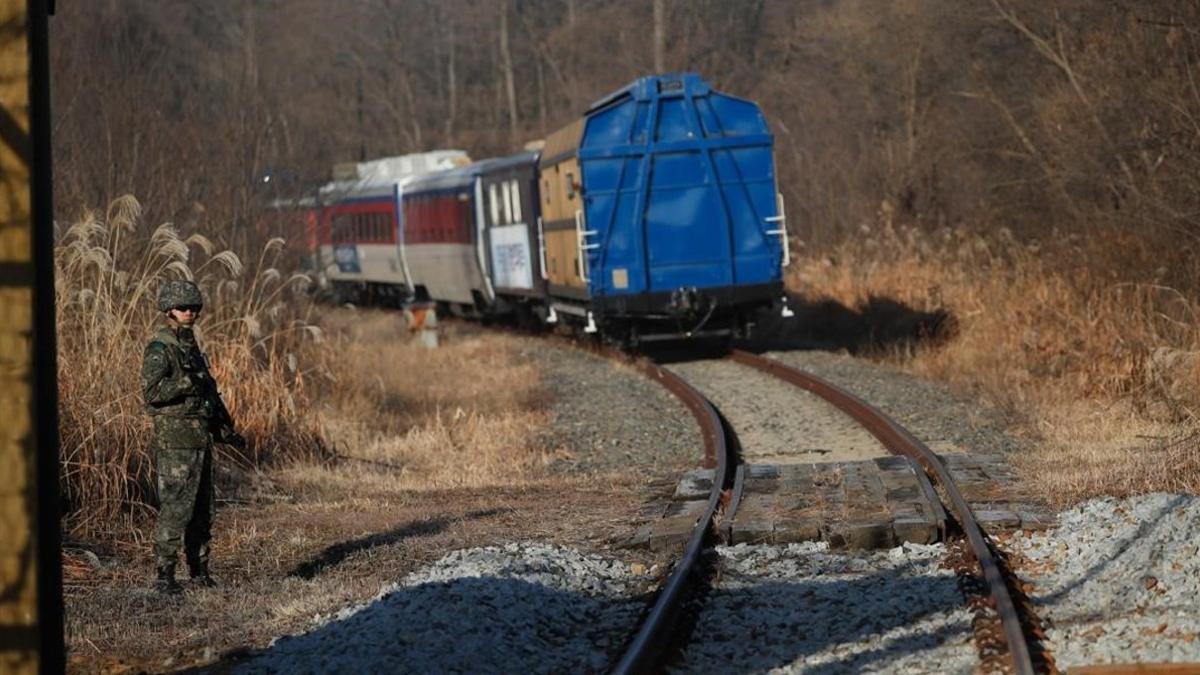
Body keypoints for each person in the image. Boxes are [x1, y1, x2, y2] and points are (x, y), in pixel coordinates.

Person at [142, 280, 246, 594]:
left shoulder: (190, 345)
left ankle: (199, 571)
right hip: (176, 441)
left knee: (204, 510)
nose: (190, 313)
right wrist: (187, 384)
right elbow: (152, 395)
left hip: (200, 438)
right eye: (183, 308)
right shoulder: (161, 347)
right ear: (168, 311)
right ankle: (165, 575)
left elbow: (208, 393)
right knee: (176, 508)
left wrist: (224, 428)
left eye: (194, 308)